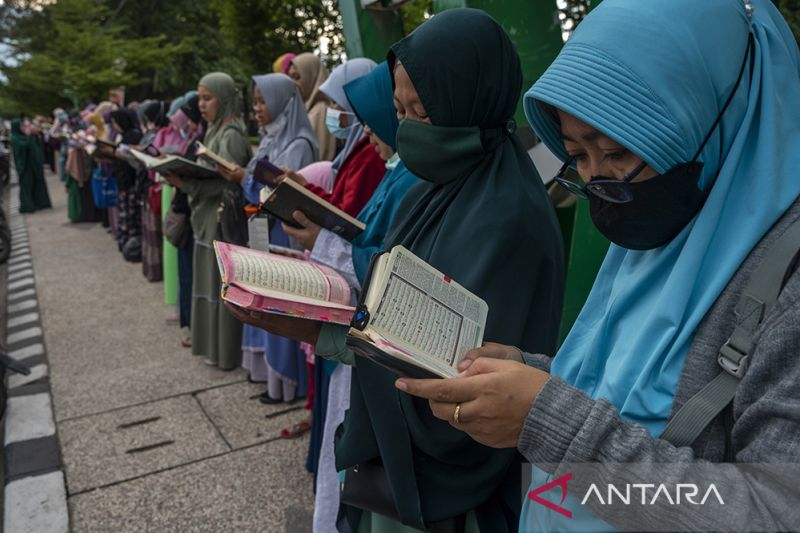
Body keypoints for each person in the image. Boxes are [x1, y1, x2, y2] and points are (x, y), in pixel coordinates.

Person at [395, 1, 800, 531]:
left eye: (616, 152)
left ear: (710, 113)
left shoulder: (784, 275)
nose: (598, 184)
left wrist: (546, 420)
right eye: (578, 158)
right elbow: (621, 390)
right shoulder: (669, 219)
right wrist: (530, 373)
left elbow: (776, 510)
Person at [227, 9, 565, 531]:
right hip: (393, 452)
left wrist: (340, 338)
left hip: (448, 490)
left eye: (422, 114)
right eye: (399, 111)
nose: (405, 130)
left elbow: (466, 386)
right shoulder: (430, 189)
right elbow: (391, 314)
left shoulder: (509, 217)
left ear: (470, 101)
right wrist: (318, 327)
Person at [218, 72, 318, 399]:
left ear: (281, 103)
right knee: (265, 303)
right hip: (265, 231)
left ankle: (287, 384)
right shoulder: (271, 138)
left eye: (264, 101)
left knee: (283, 307)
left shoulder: (299, 144)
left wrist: (244, 179)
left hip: (285, 235)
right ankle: (268, 375)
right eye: (256, 101)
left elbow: (281, 196)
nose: (258, 108)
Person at [164, 72, 252, 369]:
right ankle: (213, 349)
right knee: (209, 288)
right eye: (199, 98)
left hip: (220, 223)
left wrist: (187, 183)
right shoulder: (215, 129)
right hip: (205, 220)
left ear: (224, 99)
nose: (201, 105)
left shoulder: (232, 134)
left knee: (221, 289)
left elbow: (226, 183)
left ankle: (225, 353)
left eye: (207, 98)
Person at [281, 58, 386, 218]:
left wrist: (304, 186)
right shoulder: (359, 149)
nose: (331, 110)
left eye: (335, 102)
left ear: (355, 101)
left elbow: (347, 215)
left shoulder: (370, 154)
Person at [289, 53, 337, 161]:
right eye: (290, 78)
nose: (293, 84)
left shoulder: (319, 111)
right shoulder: (308, 109)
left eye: (297, 77)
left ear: (312, 76)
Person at [10, 118, 52, 213]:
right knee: (26, 186)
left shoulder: (23, 136)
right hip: (24, 167)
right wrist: (29, 136)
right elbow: (23, 147)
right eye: (22, 126)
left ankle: (39, 203)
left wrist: (34, 136)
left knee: (35, 184)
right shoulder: (15, 137)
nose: (23, 128)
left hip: (32, 165)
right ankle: (27, 206)